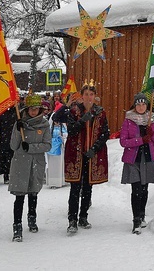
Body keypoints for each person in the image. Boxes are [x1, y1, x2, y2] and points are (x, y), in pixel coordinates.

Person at [52, 82, 109, 235]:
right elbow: (71, 131)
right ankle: (72, 219)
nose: (89, 97)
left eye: (91, 94)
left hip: (91, 154)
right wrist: (82, 120)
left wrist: (94, 149)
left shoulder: (101, 112)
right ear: (82, 96)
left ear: (94, 96)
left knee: (88, 187)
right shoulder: (74, 111)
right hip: (76, 153)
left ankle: (83, 216)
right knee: (75, 188)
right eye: (86, 94)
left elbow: (105, 133)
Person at [8, 94, 51, 242]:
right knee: (19, 196)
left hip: (36, 163)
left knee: (33, 193)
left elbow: (47, 145)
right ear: (27, 109)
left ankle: (32, 218)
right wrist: (17, 131)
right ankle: (17, 226)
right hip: (20, 163)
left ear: (40, 109)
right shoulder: (19, 123)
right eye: (31, 109)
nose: (33, 112)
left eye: (36, 109)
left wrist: (31, 147)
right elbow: (13, 146)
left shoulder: (44, 125)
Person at [119, 93, 154, 234]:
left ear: (147, 106)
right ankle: (136, 220)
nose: (141, 107)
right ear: (135, 105)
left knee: (144, 190)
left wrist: (152, 134)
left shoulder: (152, 120)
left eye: (143, 104)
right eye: (138, 104)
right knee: (136, 190)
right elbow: (123, 141)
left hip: (148, 158)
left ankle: (142, 215)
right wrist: (140, 140)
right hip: (133, 159)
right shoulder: (129, 120)